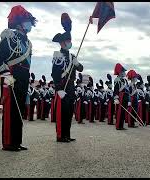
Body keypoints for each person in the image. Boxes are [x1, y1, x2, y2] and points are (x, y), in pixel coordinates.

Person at [0, 5, 37, 151]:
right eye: (27, 21)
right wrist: (6, 75)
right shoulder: (9, 36)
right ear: (19, 22)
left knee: (20, 109)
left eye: (30, 22)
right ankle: (8, 142)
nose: (29, 24)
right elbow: (0, 58)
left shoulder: (28, 43)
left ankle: (17, 141)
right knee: (11, 109)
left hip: (24, 77)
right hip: (11, 75)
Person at [51, 13, 83, 142]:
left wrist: (77, 63)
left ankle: (67, 134)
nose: (70, 43)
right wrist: (58, 88)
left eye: (70, 41)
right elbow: (55, 73)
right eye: (68, 41)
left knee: (69, 112)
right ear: (62, 43)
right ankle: (60, 135)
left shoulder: (72, 56)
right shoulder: (57, 55)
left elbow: (81, 69)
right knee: (62, 112)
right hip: (62, 86)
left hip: (71, 86)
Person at [113, 63, 129, 130]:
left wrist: (128, 99)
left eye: (124, 71)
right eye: (122, 71)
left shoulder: (125, 80)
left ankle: (121, 125)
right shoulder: (117, 80)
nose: (124, 72)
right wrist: (116, 98)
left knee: (123, 112)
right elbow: (116, 89)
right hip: (120, 96)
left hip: (125, 96)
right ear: (119, 72)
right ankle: (118, 126)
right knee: (119, 112)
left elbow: (127, 89)